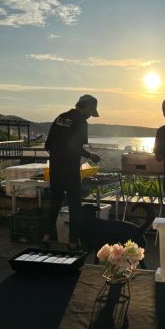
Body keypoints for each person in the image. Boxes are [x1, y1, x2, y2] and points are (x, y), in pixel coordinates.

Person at [42, 95, 101, 250]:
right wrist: (91, 156)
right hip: (70, 169)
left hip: (55, 168)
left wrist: (58, 158)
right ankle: (73, 242)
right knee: (75, 205)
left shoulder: (60, 117)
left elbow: (48, 145)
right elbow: (76, 146)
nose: (90, 115)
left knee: (55, 201)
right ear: (85, 107)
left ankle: (46, 236)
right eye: (90, 111)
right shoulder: (81, 122)